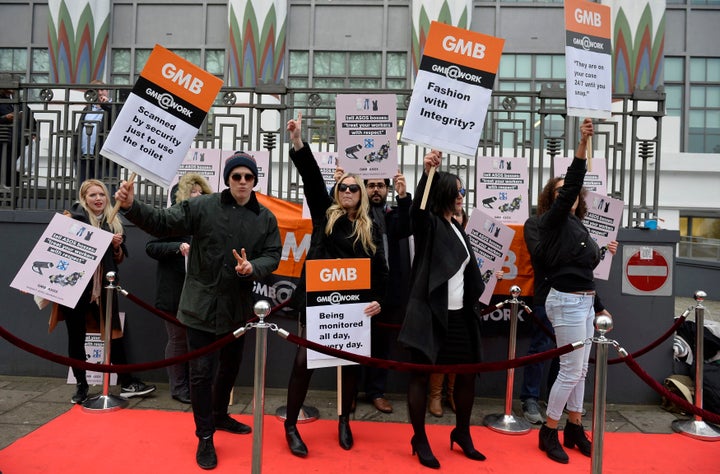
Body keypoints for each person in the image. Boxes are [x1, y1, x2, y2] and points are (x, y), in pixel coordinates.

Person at [114, 151, 282, 470]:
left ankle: (219, 416)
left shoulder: (266, 218)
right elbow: (163, 222)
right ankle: (205, 436)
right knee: (202, 373)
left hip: (237, 308)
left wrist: (253, 267)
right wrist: (131, 206)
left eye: (248, 177)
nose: (243, 182)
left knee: (230, 368)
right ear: (228, 179)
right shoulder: (203, 206)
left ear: (255, 180)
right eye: (237, 177)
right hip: (199, 307)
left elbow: (273, 254)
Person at [284, 113, 388, 457]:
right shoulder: (324, 215)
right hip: (318, 302)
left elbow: (381, 270)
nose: (347, 191)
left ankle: (344, 420)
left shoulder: (370, 227)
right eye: (342, 187)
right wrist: (298, 143)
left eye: (353, 188)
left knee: (350, 364)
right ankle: (290, 425)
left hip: (354, 306)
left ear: (361, 194)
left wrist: (378, 300)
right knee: (304, 363)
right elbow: (312, 178)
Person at [398, 150, 487, 469]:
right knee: (421, 378)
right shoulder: (430, 225)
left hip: (460, 316)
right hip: (431, 314)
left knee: (465, 376)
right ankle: (419, 438)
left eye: (464, 191)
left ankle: (462, 433)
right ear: (445, 194)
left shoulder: (458, 228)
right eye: (458, 191)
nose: (462, 196)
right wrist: (427, 173)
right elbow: (418, 212)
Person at [535, 118, 614, 464]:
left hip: (583, 302)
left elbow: (585, 270)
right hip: (565, 301)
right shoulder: (550, 222)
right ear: (553, 199)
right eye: (560, 191)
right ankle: (549, 430)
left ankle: (574, 426)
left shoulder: (577, 224)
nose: (566, 194)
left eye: (570, 192)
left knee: (580, 371)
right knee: (570, 370)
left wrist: (599, 305)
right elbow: (567, 269)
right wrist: (582, 143)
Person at [51, 179, 156, 405]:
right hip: (76, 286)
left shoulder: (113, 222)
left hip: (105, 286)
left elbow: (117, 259)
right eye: (92, 195)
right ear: (84, 198)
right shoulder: (73, 217)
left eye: (102, 194)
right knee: (76, 336)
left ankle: (127, 381)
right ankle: (82, 385)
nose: (98, 199)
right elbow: (55, 247)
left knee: (113, 334)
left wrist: (116, 245)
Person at [332, 168, 413, 415]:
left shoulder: (393, 215)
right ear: (363, 190)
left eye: (381, 185)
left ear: (387, 190)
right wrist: (336, 187)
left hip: (386, 292)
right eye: (371, 185)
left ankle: (377, 392)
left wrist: (403, 196)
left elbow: (406, 228)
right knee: (352, 344)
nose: (376, 189)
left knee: (381, 344)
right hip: (354, 290)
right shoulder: (353, 216)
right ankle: (351, 392)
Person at [145, 173, 213, 405]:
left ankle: (198, 386)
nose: (198, 195)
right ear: (181, 196)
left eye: (200, 192)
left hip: (201, 293)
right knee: (178, 340)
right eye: (193, 191)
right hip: (173, 292)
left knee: (199, 342)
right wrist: (177, 247)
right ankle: (179, 387)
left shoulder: (209, 221)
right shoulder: (170, 219)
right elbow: (151, 247)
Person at [71, 80, 119, 185]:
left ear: (107, 91)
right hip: (84, 157)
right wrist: (75, 153)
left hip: (104, 159)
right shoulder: (87, 109)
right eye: (96, 90)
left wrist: (106, 105)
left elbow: (118, 121)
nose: (100, 93)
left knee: (105, 189)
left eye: (102, 90)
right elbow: (79, 130)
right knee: (84, 188)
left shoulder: (114, 106)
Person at [1, 76, 37, 187]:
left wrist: (34, 133)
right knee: (3, 173)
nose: (15, 86)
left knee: (14, 175)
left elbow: (31, 121)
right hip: (3, 144)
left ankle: (12, 199)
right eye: (11, 84)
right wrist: (5, 118)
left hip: (19, 145)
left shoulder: (21, 103)